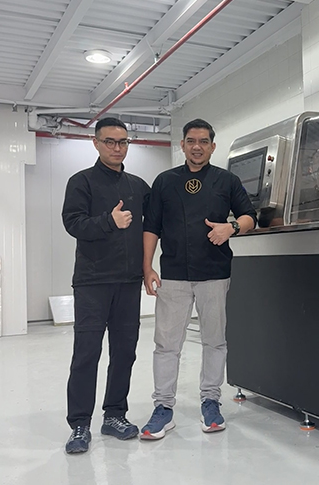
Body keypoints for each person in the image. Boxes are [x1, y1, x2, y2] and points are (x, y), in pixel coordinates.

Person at [141, 118, 256, 439]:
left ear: (212, 146)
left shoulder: (226, 181)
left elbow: (250, 217)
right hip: (173, 274)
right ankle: (163, 408)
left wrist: (231, 227)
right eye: (191, 141)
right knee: (166, 344)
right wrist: (147, 268)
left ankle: (211, 402)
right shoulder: (165, 181)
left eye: (204, 141)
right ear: (182, 145)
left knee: (214, 340)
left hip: (214, 274)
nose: (197, 147)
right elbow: (151, 227)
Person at [62, 117, 150, 453]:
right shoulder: (81, 182)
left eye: (123, 142)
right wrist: (108, 221)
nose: (117, 148)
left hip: (128, 283)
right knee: (87, 353)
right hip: (92, 282)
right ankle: (79, 424)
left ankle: (114, 415)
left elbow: (153, 225)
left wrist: (147, 268)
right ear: (96, 143)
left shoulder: (138, 186)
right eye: (110, 141)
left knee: (125, 352)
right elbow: (73, 223)